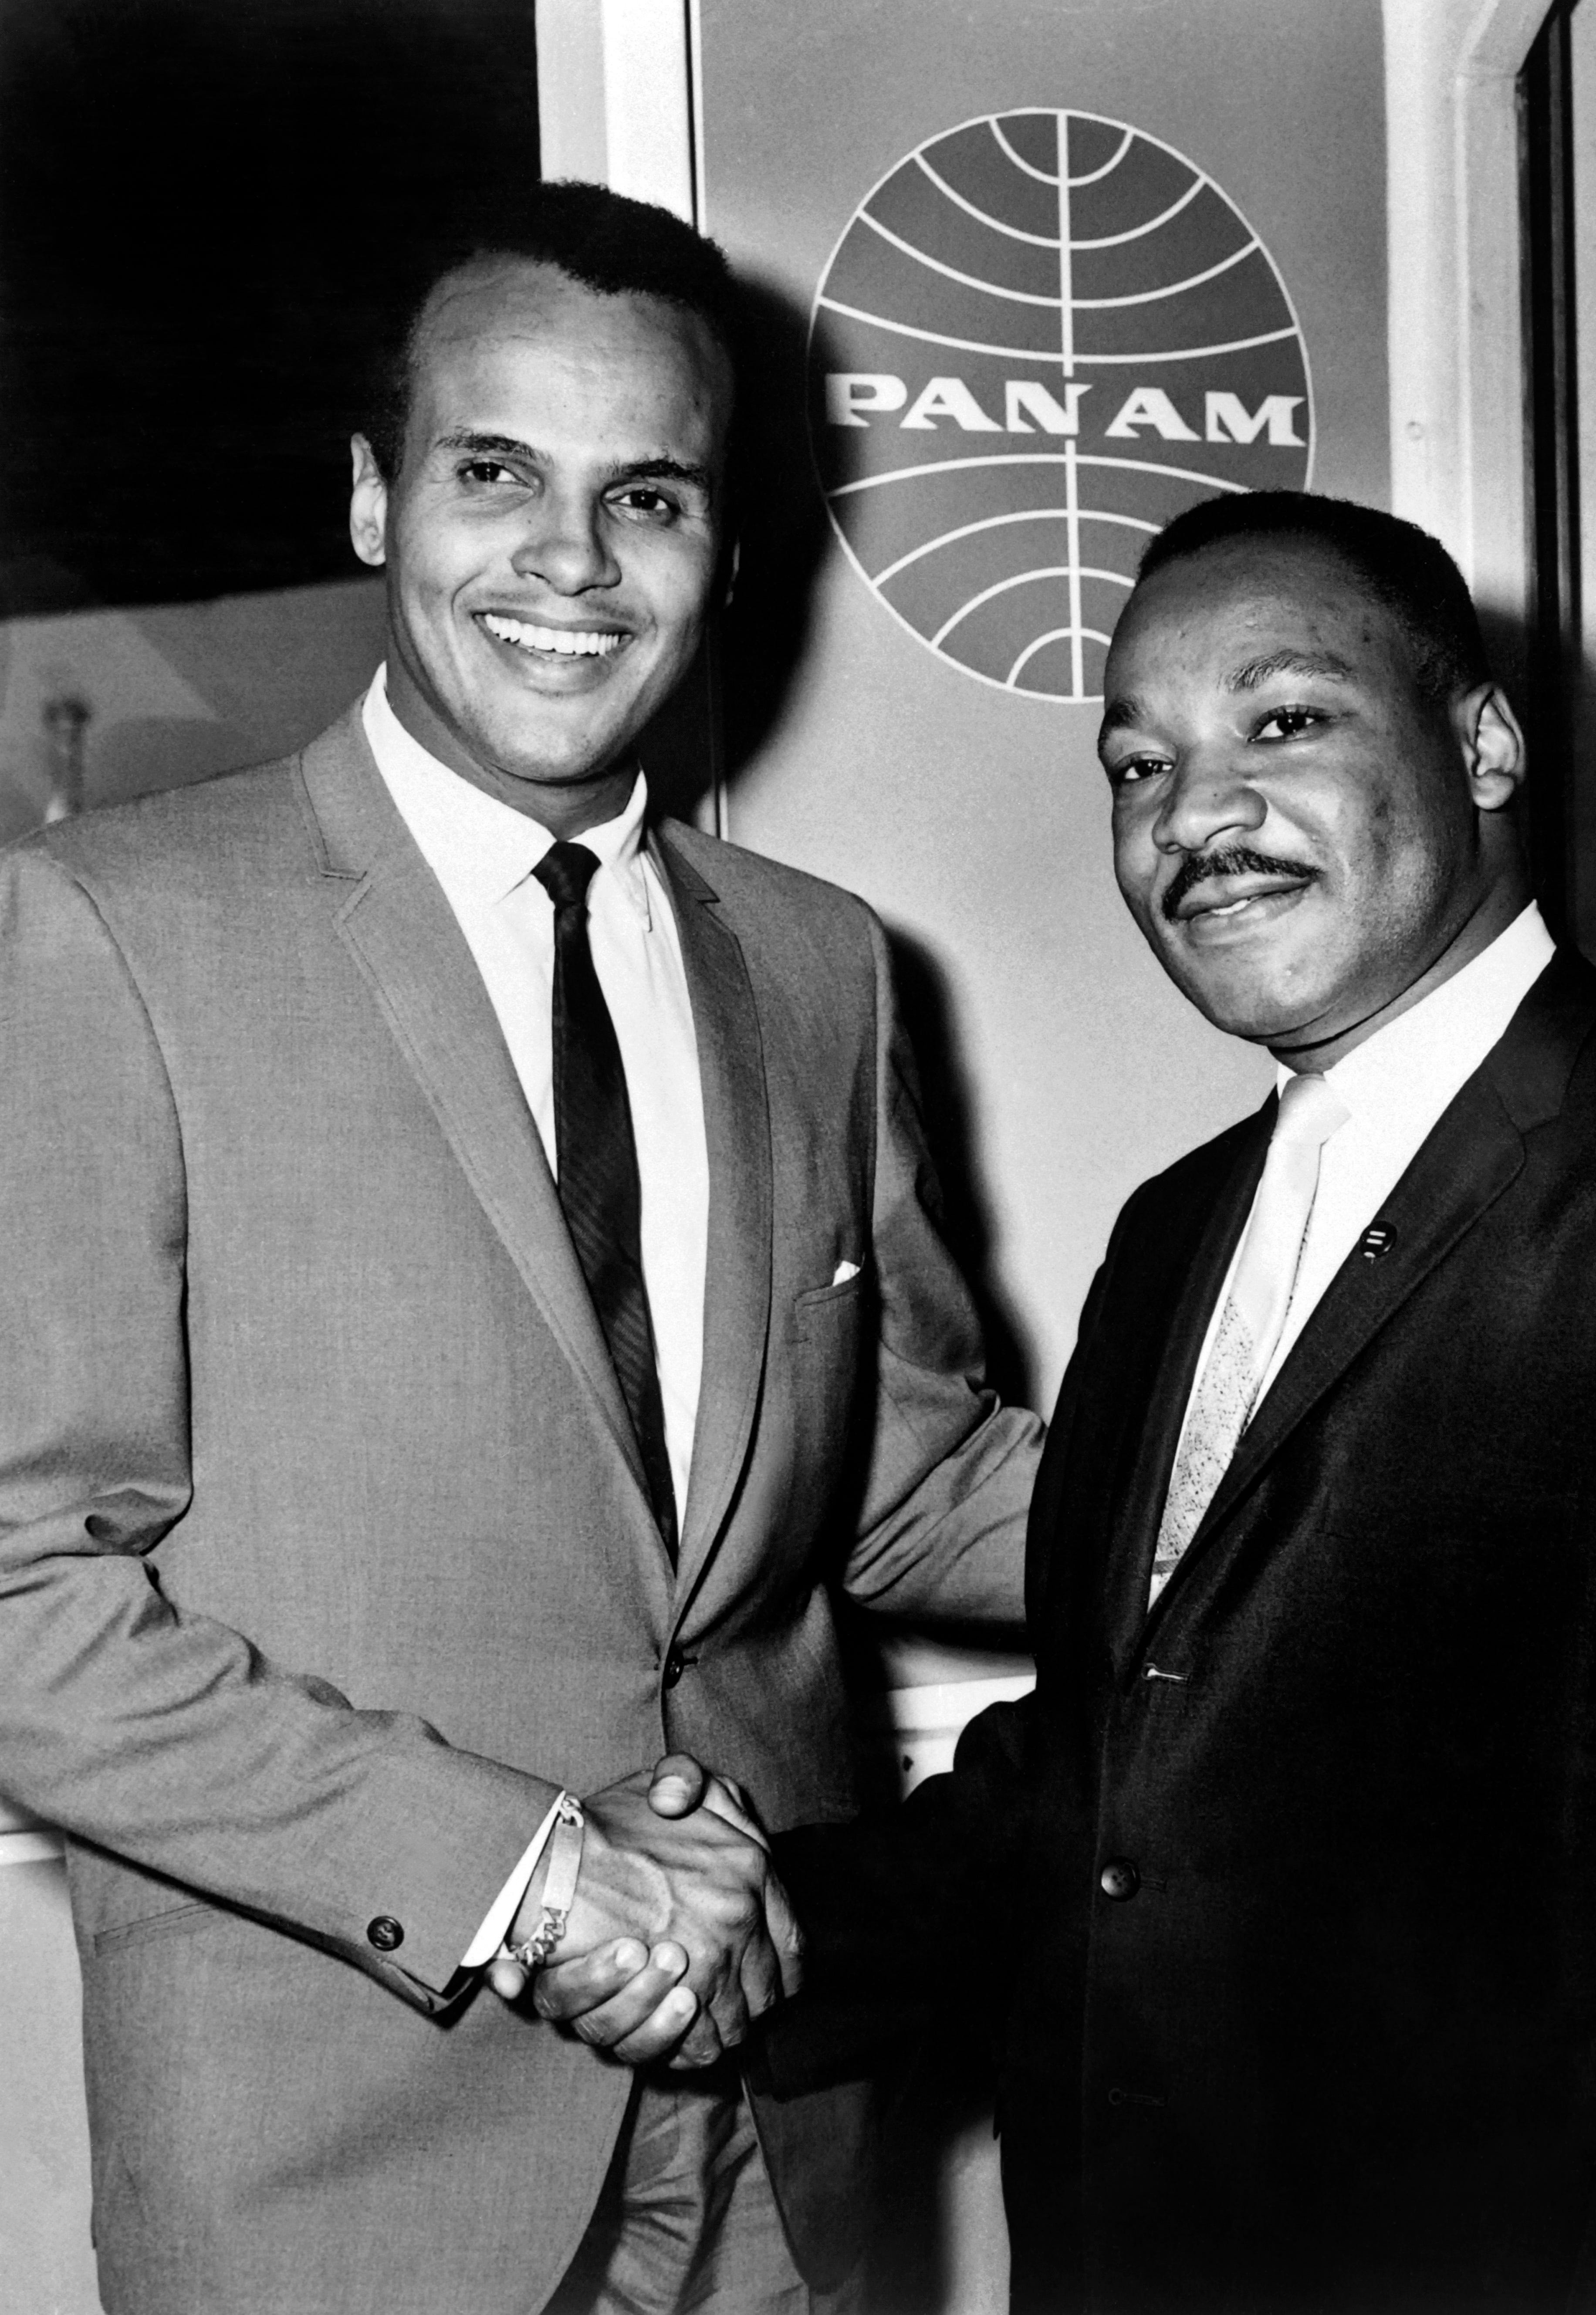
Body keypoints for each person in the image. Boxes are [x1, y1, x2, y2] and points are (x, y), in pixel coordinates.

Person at [0, 182, 1039, 2315]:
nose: (570, 565)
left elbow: (909, 1476)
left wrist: (1339, 1471)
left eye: (645, 496)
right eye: (497, 475)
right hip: (344, 2168)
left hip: (781, 2118)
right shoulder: (115, 928)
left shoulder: (825, 969)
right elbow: (17, 1593)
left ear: (726, 554)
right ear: (379, 498)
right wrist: (531, 1877)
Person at [631, 490, 1596, 2311]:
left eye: (1286, 721)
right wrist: (755, 1925)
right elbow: (1106, 1785)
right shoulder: (1175, 1231)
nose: (1194, 817)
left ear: (1484, 743)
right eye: (1136, 764)